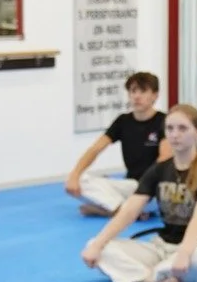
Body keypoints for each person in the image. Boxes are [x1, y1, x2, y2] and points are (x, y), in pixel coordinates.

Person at [82, 104, 197, 282]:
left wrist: (185, 253)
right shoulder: (159, 169)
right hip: (161, 249)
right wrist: (98, 244)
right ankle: (154, 280)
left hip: (195, 248)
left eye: (182, 128)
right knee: (96, 246)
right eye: (170, 128)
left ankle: (144, 274)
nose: (175, 134)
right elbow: (129, 211)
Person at [66, 70, 170, 216]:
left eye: (143, 91)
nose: (137, 96)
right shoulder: (123, 121)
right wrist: (74, 175)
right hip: (130, 185)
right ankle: (124, 211)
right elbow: (95, 149)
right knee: (81, 180)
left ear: (155, 95)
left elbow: (164, 160)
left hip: (153, 189)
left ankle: (115, 210)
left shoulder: (164, 121)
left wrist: (145, 188)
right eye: (133, 91)